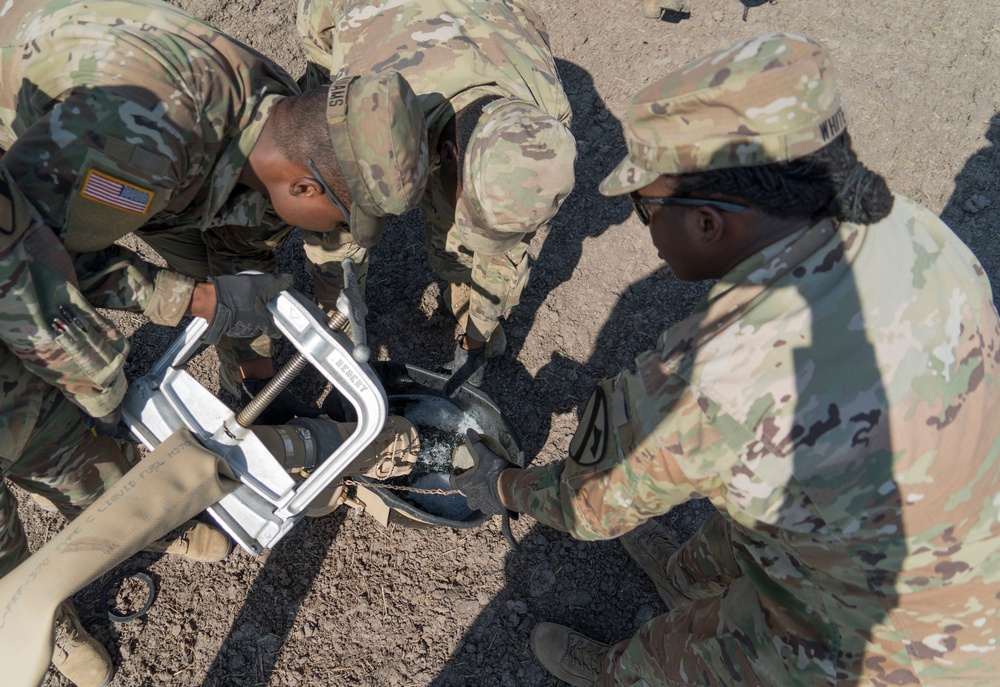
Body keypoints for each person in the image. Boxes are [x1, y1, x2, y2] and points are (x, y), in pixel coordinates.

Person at [453, 33, 1000, 686]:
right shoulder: (915, 230)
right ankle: (689, 580)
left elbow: (589, 504)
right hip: (953, 528)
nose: (643, 224)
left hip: (896, 645)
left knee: (694, 660)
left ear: (707, 222)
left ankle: (620, 670)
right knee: (744, 494)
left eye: (644, 207)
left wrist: (500, 485)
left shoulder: (711, 378)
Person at [0, 0, 429, 420]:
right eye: (341, 219)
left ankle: (250, 388)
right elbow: (32, 257)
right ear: (304, 186)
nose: (338, 231)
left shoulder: (274, 116)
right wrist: (197, 299)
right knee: (37, 359)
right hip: (31, 118)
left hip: (83, 92)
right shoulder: (145, 146)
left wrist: (256, 375)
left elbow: (240, 229)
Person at [297, 0, 576, 391]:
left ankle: (462, 294)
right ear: (446, 154)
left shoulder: (545, 122)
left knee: (467, 214)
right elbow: (336, 235)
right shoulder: (369, 118)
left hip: (489, 23)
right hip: (345, 13)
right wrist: (342, 324)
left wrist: (474, 342)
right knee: (325, 172)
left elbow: (506, 245)